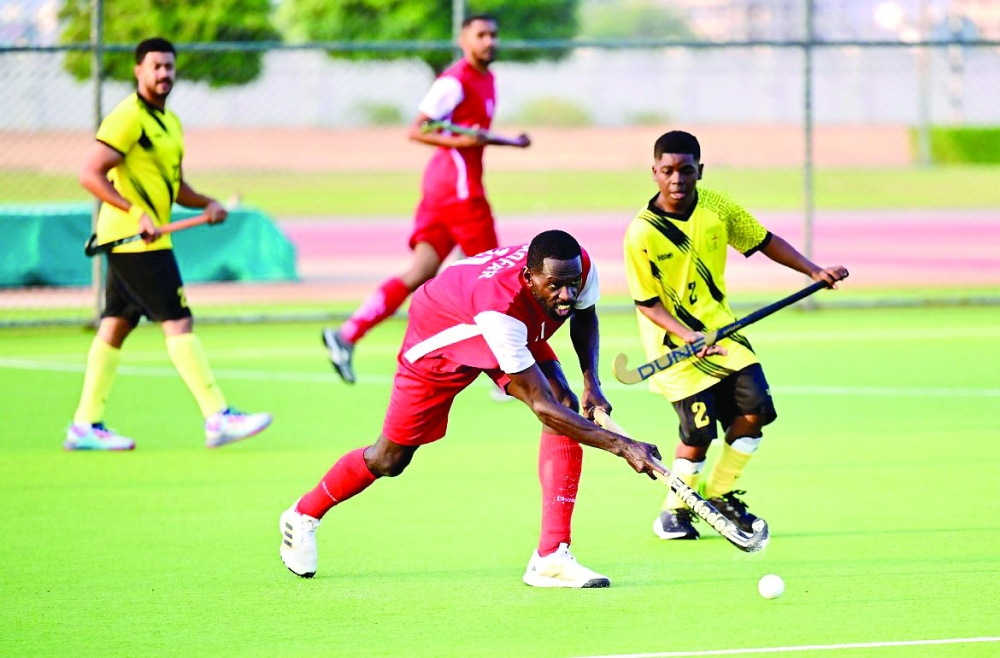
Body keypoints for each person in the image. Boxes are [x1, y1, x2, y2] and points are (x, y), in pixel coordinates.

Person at [281, 230, 662, 587]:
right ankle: (302, 515)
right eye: (555, 286)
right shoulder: (503, 309)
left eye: (571, 283)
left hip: (493, 318)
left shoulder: (576, 263)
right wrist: (623, 446)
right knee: (389, 459)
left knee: (568, 400)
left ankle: (551, 557)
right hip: (442, 336)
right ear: (529, 278)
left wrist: (591, 383)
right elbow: (542, 408)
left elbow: (584, 315)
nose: (566, 294)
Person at [622, 130, 849, 540]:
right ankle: (674, 510)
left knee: (756, 409)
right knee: (697, 435)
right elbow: (647, 304)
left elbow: (763, 241)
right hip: (675, 347)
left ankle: (721, 494)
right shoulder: (642, 232)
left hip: (723, 335)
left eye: (686, 170)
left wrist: (813, 271)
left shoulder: (716, 207)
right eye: (668, 170)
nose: (677, 179)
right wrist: (687, 335)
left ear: (700, 171)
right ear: (654, 172)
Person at [64, 37, 272, 451]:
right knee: (178, 320)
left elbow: (174, 187)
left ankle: (84, 425)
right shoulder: (127, 117)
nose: (164, 74)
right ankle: (217, 416)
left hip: (146, 239)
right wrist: (134, 211)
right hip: (134, 239)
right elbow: (90, 174)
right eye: (156, 67)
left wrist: (207, 204)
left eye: (169, 67)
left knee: (115, 326)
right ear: (138, 71)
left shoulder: (170, 123)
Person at [322, 13, 530, 384]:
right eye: (481, 35)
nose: (489, 41)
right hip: (459, 193)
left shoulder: (487, 79)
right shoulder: (454, 80)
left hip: (442, 192)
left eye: (493, 35)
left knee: (421, 272)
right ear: (464, 39)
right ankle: (508, 373)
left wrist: (510, 141)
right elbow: (417, 130)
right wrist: (460, 142)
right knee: (498, 278)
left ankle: (346, 333)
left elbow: (474, 132)